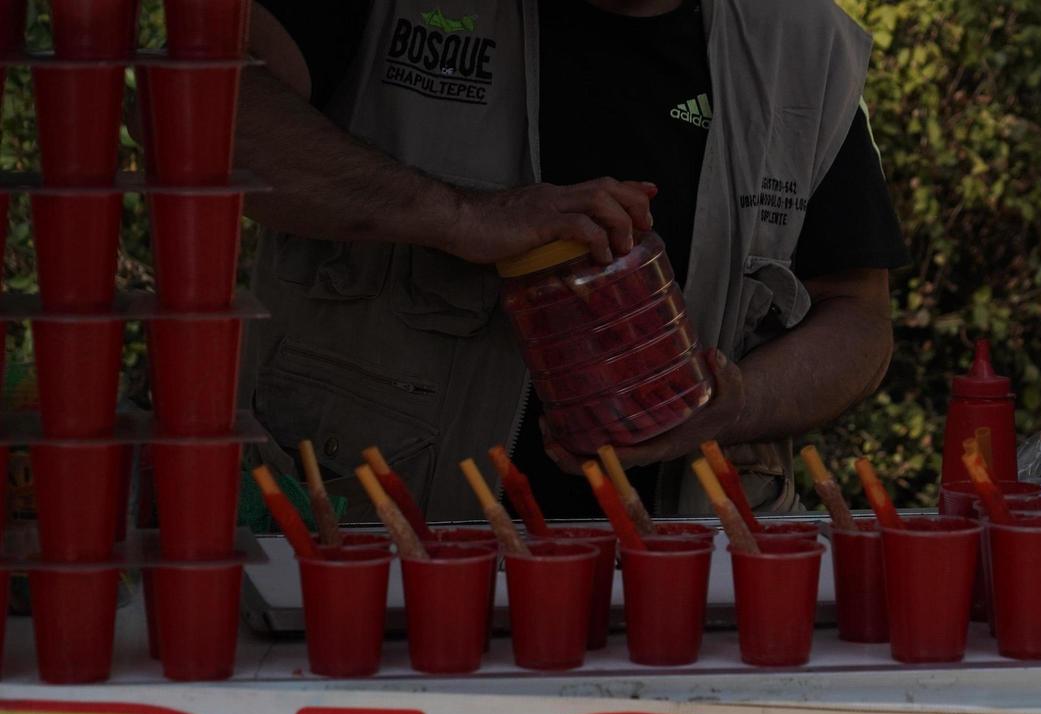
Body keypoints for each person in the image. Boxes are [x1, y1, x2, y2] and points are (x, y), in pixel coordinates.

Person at [238, 0, 907, 520]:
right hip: (368, 558)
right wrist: (456, 215)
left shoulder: (800, 42)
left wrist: (735, 407)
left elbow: (857, 315)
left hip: (689, 590)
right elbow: (216, 123)